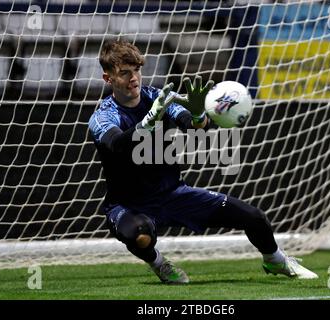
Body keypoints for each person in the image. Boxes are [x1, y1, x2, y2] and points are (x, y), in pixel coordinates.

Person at [88, 39, 318, 284]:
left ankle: (276, 261)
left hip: (173, 194)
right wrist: (147, 123)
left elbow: (196, 126)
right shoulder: (103, 115)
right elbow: (119, 143)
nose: (133, 78)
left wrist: (198, 115)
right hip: (129, 205)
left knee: (254, 217)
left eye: (136, 70)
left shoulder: (160, 98)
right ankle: (160, 264)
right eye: (124, 73)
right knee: (139, 235)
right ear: (108, 78)